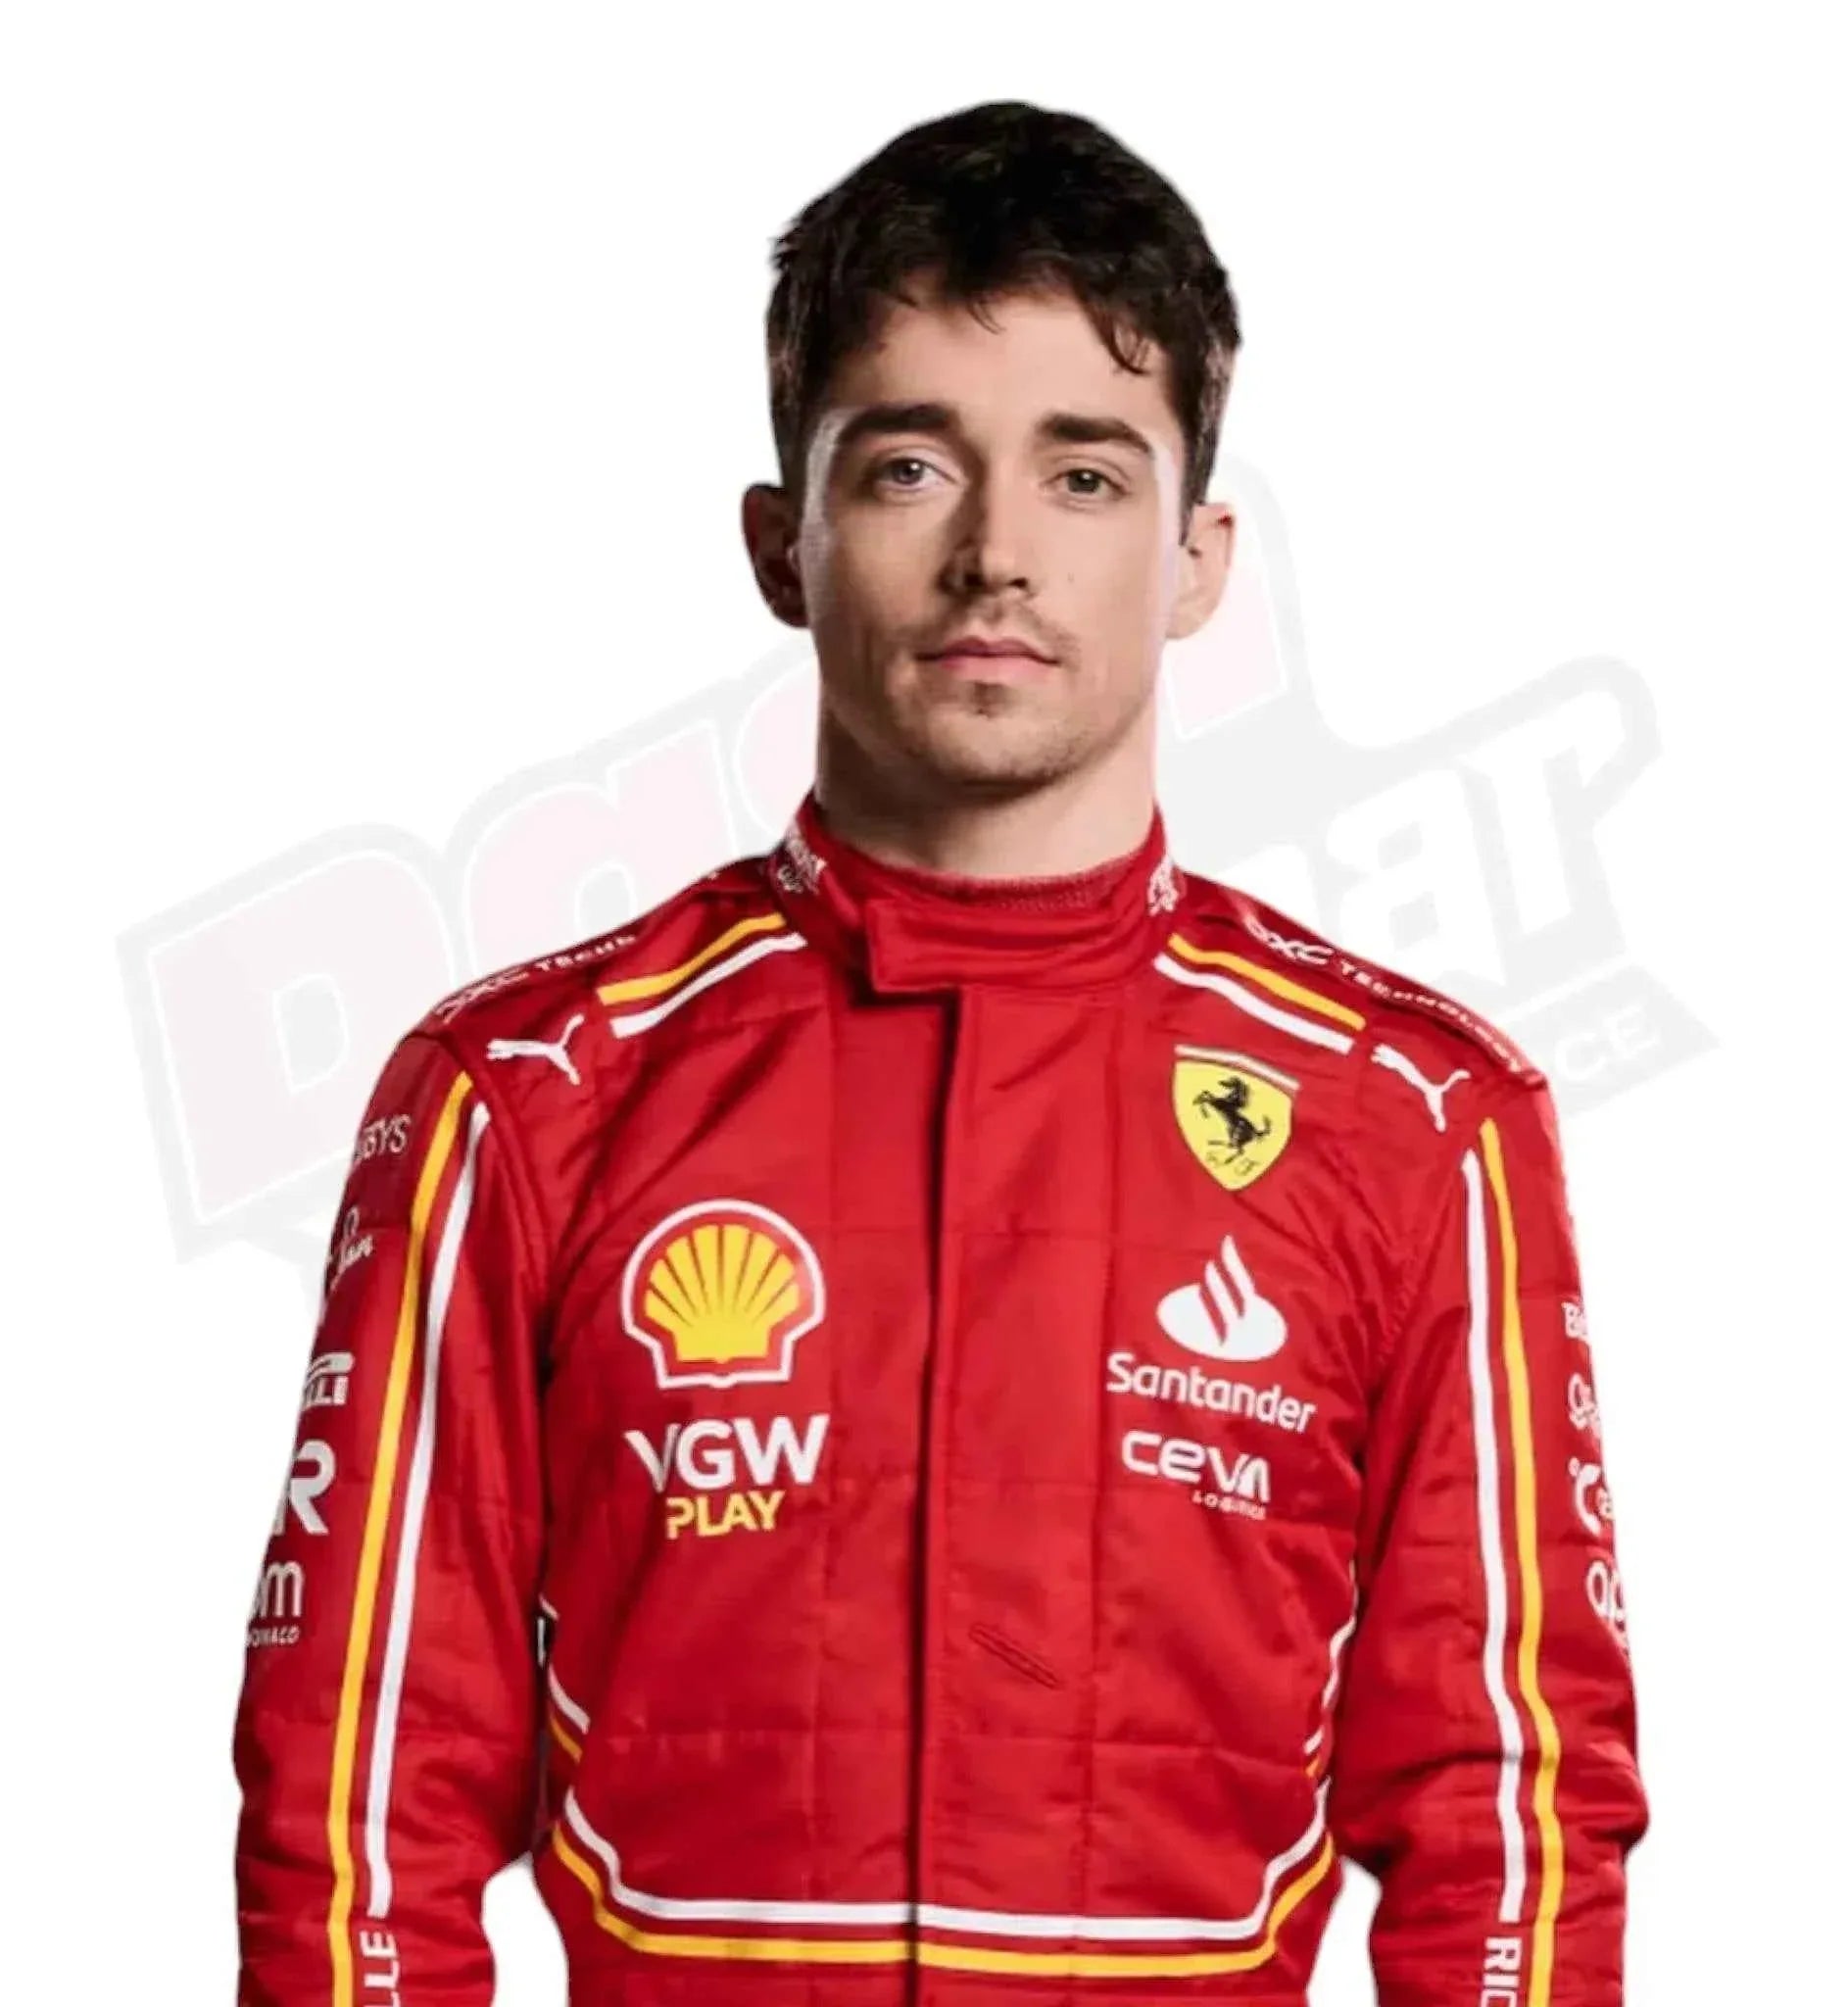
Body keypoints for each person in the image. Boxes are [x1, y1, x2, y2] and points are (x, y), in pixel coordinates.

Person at [231, 99, 1646, 2006]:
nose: (996, 555)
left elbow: (1513, 1823)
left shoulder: (1417, 1122)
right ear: (782, 543)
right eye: (908, 466)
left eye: (1085, 476)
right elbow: (353, 1814)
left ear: (1200, 556)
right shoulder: (523, 1094)